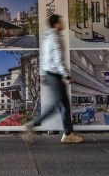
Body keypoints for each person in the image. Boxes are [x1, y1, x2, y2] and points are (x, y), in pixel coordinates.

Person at [23, 14, 83, 144]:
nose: (63, 24)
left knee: (60, 104)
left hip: (50, 74)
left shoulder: (48, 37)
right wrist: (66, 75)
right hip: (55, 74)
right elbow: (57, 59)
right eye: (61, 22)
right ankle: (65, 133)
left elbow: (44, 58)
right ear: (56, 24)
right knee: (62, 105)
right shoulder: (55, 37)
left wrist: (44, 74)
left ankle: (66, 132)